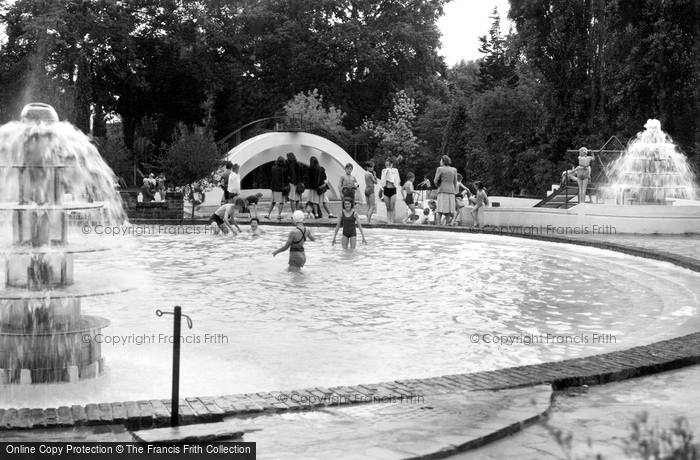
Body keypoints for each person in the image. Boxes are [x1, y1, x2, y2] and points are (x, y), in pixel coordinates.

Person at [434, 155, 458, 225]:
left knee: (440, 207)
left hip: (442, 189)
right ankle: (447, 223)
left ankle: (438, 222)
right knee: (449, 208)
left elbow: (435, 180)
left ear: (443, 161)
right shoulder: (454, 170)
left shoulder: (440, 169)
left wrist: (437, 184)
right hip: (451, 190)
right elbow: (455, 182)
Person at [380, 157, 401, 224]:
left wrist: (390, 171)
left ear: (391, 164)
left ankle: (392, 221)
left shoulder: (395, 170)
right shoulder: (384, 171)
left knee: (392, 207)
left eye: (389, 165)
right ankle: (388, 221)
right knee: (388, 207)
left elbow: (396, 180)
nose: (387, 167)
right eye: (386, 165)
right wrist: (386, 172)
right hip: (386, 190)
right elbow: (383, 180)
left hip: (393, 190)